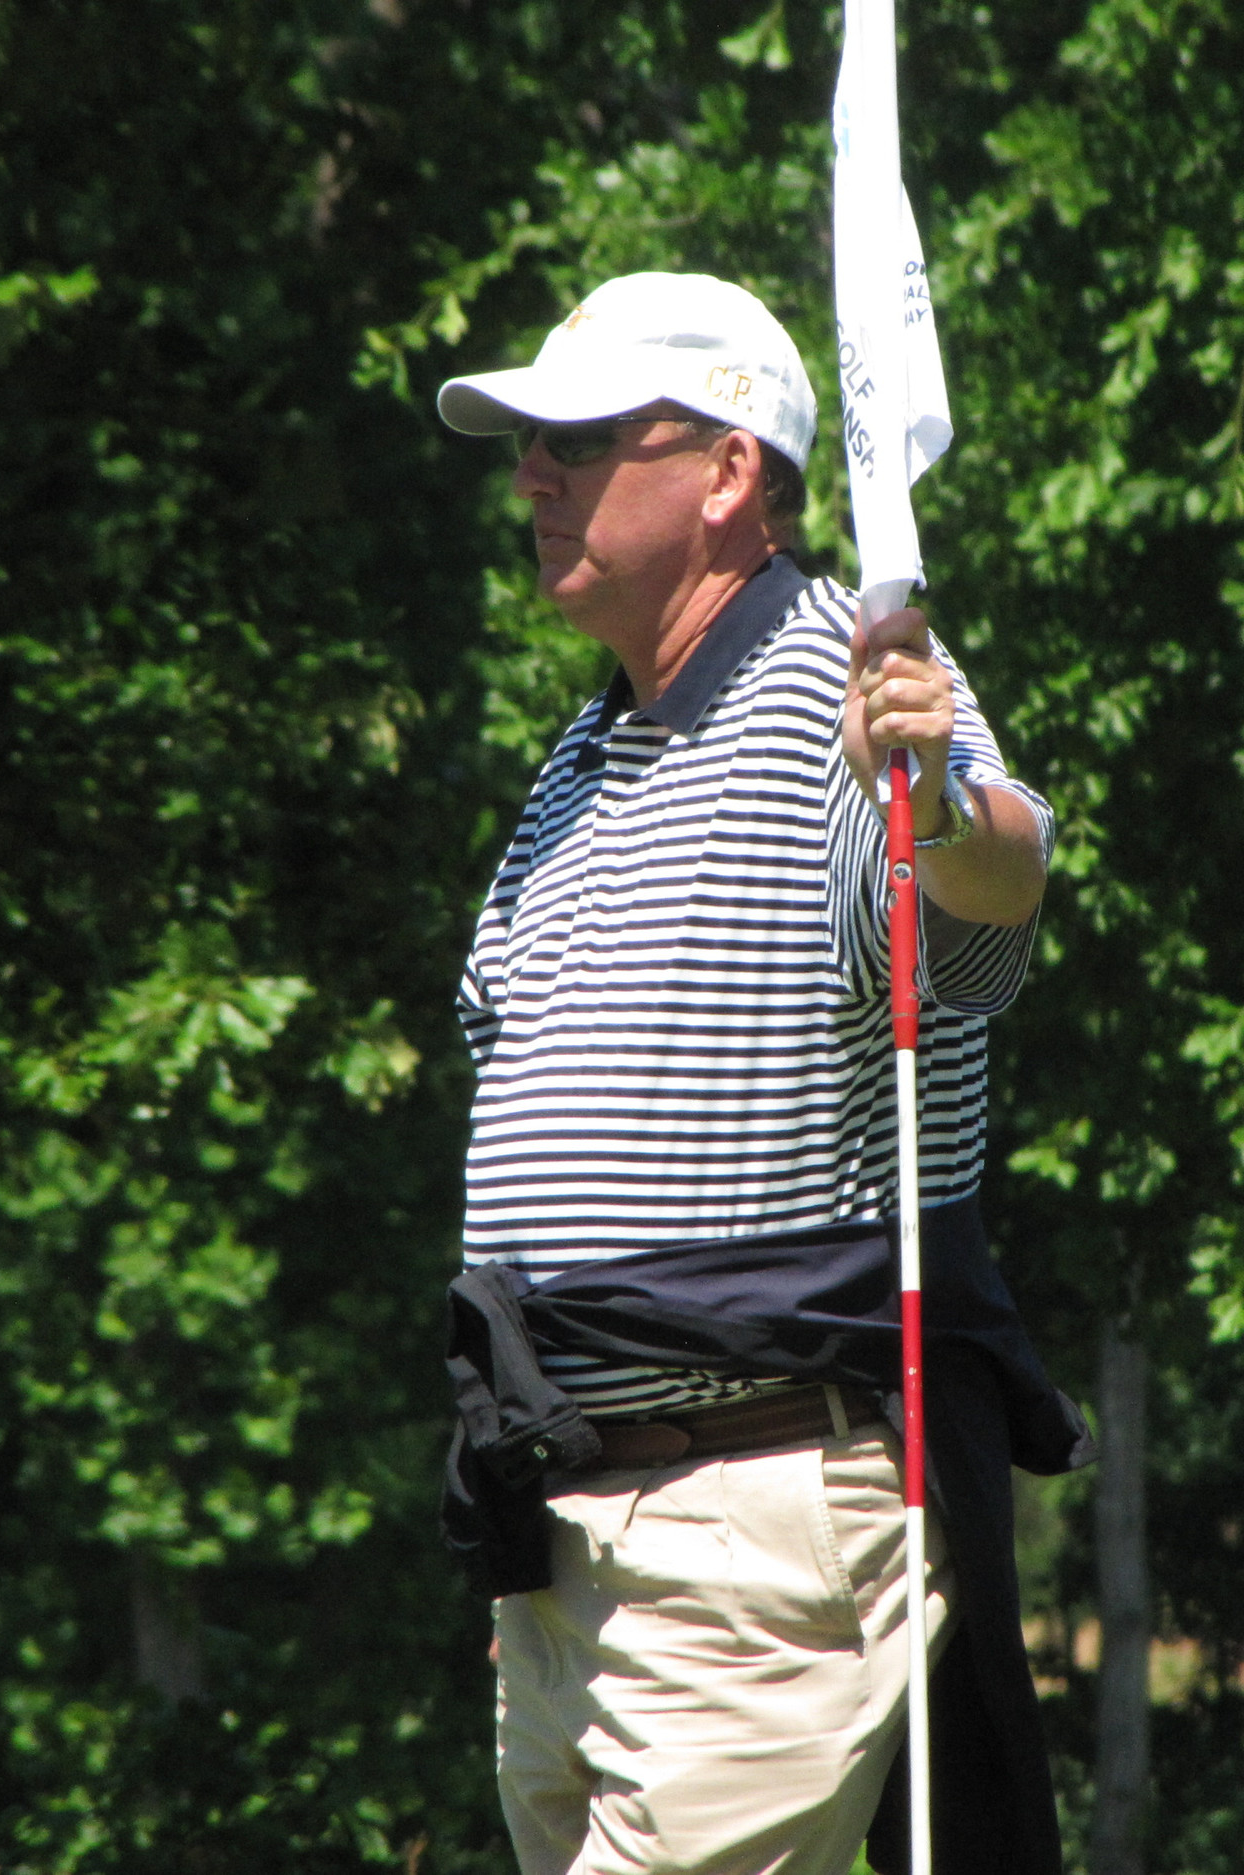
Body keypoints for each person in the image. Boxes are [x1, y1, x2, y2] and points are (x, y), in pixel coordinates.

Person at [434, 271, 1090, 1875]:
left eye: (577, 442)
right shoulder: (589, 748)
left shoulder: (839, 683)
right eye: (528, 446)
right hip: (568, 1540)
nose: (531, 476)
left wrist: (931, 799)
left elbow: (998, 886)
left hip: (754, 1515)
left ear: (729, 473)